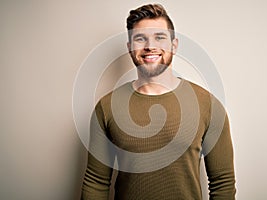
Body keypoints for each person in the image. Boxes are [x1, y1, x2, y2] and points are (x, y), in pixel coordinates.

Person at [81, 4, 236, 200]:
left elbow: (223, 183)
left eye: (159, 37)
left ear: (174, 45)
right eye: (140, 38)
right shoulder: (106, 107)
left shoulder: (208, 106)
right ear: (130, 48)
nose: (150, 46)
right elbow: (96, 181)